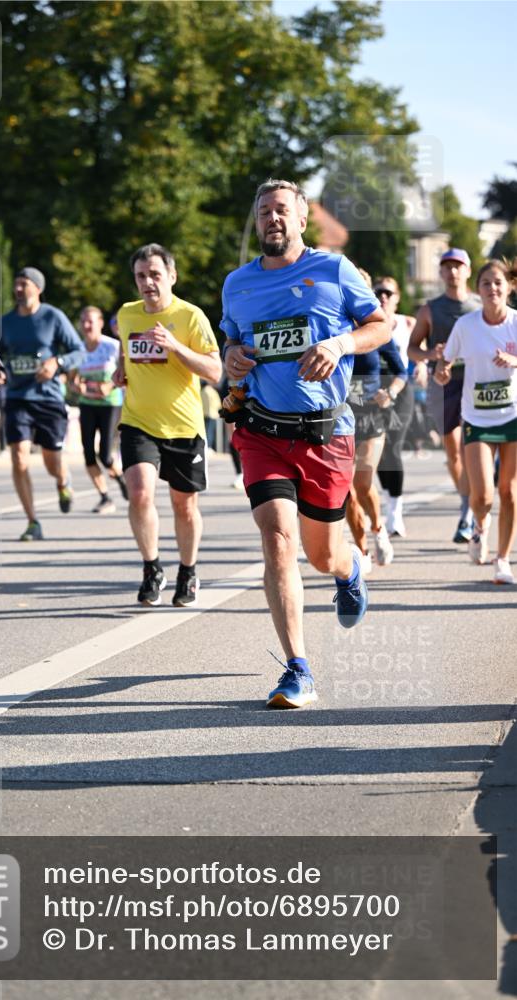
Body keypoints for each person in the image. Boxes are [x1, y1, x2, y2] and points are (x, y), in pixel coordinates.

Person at [221, 179, 389, 709]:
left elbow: (379, 326)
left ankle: (351, 568)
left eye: (281, 211)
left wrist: (341, 344)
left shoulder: (333, 270)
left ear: (300, 219)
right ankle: (298, 669)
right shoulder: (236, 283)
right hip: (261, 432)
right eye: (264, 211)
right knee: (277, 541)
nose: (272, 218)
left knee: (323, 556)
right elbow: (232, 338)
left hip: (325, 434)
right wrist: (232, 356)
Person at [114, 243, 222, 607]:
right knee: (140, 492)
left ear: (172, 276)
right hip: (138, 420)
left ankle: (188, 571)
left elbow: (215, 371)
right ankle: (151, 567)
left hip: (183, 426)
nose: (148, 283)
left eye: (155, 275)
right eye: (141, 276)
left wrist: (175, 346)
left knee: (184, 506)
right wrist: (120, 369)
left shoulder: (191, 316)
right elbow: (125, 350)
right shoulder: (127, 314)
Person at [435, 259, 517, 584]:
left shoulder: (515, 322)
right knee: (482, 496)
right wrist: (441, 372)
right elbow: (446, 361)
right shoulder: (467, 325)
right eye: (486, 283)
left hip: (513, 415)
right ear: (477, 289)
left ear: (509, 286)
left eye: (498, 282)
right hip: (477, 418)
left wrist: (514, 360)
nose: (493, 288)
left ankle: (503, 560)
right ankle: (480, 528)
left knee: (509, 492)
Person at [0, 267, 83, 540]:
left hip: (48, 398)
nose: (19, 289)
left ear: (38, 288)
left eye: (25, 284)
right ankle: (33, 521)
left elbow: (78, 350)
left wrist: (57, 362)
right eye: (17, 284)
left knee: (51, 461)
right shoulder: (5, 322)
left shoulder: (53, 317)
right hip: (17, 398)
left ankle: (62, 480)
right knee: (19, 459)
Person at [408, 249, 481, 543]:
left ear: (468, 270)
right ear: (440, 273)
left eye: (458, 266)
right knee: (453, 455)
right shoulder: (429, 309)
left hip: (474, 385)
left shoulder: (478, 304)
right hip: (443, 385)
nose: (452, 272)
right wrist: (429, 354)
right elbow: (412, 348)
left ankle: (467, 514)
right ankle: (469, 500)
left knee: (468, 450)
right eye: (447, 267)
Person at [345, 332, 407, 571]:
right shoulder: (331, 323)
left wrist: (390, 392)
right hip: (341, 419)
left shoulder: (378, 330)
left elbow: (401, 372)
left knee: (362, 483)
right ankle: (362, 551)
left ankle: (378, 528)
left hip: (371, 417)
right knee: (346, 490)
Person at [69, 305, 127, 514]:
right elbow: (71, 379)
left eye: (90, 321)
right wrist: (77, 386)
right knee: (88, 454)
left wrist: (110, 385)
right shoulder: (79, 349)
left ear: (100, 324)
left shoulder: (112, 346)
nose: (86, 325)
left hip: (111, 404)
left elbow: (125, 372)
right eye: (83, 321)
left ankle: (120, 478)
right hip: (87, 404)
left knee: (105, 455)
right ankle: (105, 497)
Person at [374, 276, 418, 537]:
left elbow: (416, 350)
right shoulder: (366, 324)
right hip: (373, 392)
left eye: (389, 292)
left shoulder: (407, 323)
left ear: (397, 297)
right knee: (378, 452)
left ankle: (395, 511)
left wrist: (421, 366)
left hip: (400, 391)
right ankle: (389, 501)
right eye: (379, 291)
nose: (384, 297)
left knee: (394, 446)